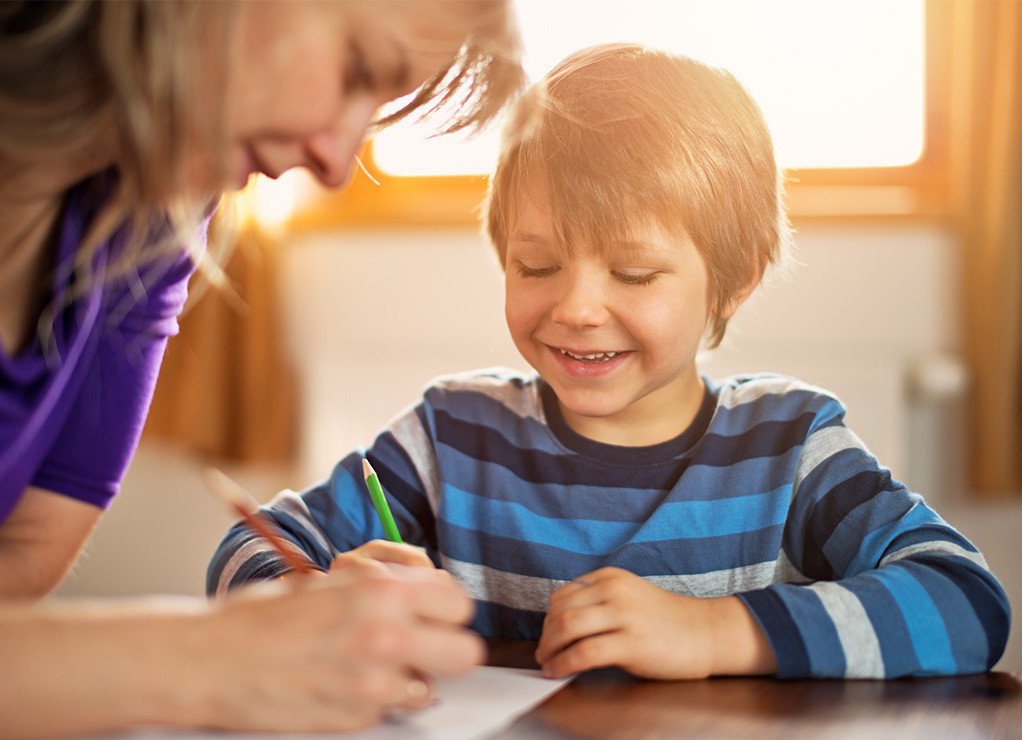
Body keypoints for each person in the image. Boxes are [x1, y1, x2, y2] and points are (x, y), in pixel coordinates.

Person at [209, 43, 1012, 682]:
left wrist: (714, 631)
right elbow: (251, 550)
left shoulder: (788, 443)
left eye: (632, 274)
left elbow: (967, 604)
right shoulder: (451, 434)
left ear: (733, 282)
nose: (576, 308)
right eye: (535, 266)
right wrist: (315, 601)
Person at [0, 1, 525, 737]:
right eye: (357, 69)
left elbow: (25, 551)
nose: (335, 164)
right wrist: (206, 660)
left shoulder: (152, 217)